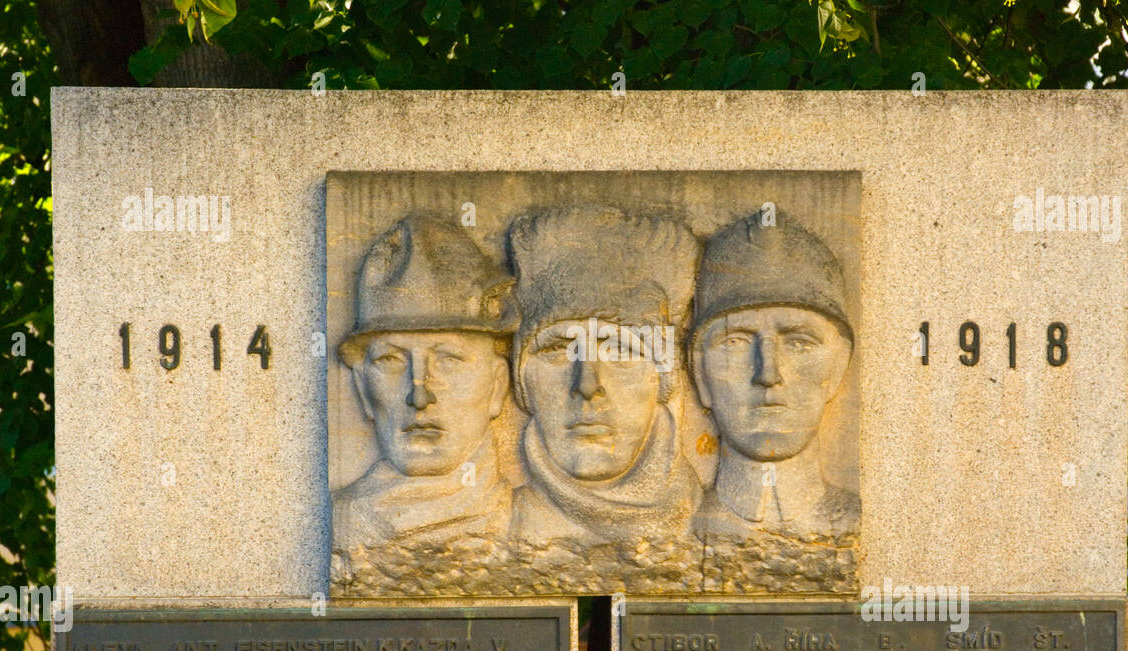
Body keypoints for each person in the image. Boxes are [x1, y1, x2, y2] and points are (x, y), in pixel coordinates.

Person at [507, 205, 701, 545]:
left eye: (619, 350)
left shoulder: (709, 519)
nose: (587, 386)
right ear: (521, 385)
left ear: (663, 379)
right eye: (558, 349)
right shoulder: (496, 524)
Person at [332, 214, 517, 552]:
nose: (419, 396)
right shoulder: (338, 522)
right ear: (362, 389)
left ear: (497, 386)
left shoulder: (534, 524)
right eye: (391, 360)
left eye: (449, 360)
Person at [689, 211, 859, 544]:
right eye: (736, 342)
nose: (768, 374)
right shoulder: (672, 524)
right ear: (699, 373)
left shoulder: (863, 519)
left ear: (838, 366)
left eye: (799, 343)